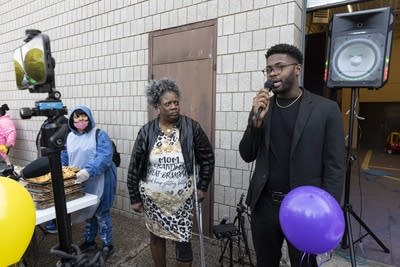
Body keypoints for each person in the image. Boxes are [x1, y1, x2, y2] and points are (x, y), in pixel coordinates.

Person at [239, 44, 345, 267]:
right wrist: (255, 123)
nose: (273, 73)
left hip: (306, 209)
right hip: (265, 206)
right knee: (265, 263)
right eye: (268, 69)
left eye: (280, 67)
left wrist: (328, 212)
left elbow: (335, 166)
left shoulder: (326, 109)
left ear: (297, 69)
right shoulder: (262, 107)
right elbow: (247, 154)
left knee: (304, 264)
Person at [127, 78, 215, 267]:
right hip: (153, 202)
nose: (174, 107)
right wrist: (134, 197)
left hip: (181, 203)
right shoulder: (146, 131)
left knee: (183, 246)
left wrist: (202, 186)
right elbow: (135, 166)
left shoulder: (192, 128)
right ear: (158, 106)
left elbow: (207, 158)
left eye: (176, 102)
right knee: (156, 238)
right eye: (168, 104)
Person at [60, 105, 117, 260]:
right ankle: (89, 241)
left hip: (101, 180)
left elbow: (104, 157)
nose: (81, 120)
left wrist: (88, 171)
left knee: (101, 212)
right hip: (81, 182)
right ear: (72, 119)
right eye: (77, 117)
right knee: (88, 212)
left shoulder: (99, 134)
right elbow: (65, 156)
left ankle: (107, 244)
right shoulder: (70, 137)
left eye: (84, 117)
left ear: (89, 117)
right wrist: (62, 171)